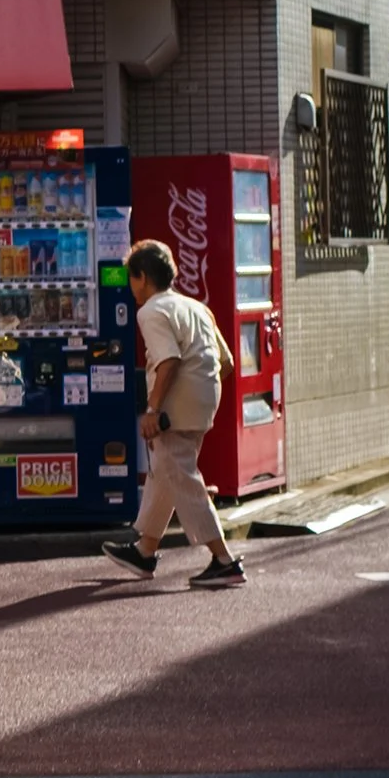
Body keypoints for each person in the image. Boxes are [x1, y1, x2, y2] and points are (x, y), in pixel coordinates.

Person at [102, 239, 248, 588]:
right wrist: (198, 393)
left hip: (174, 405)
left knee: (180, 476)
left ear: (141, 277)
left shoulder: (151, 311)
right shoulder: (196, 307)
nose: (130, 287)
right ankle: (145, 550)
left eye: (131, 279)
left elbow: (168, 360)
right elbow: (225, 362)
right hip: (204, 399)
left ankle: (223, 559)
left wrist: (153, 408)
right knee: (165, 469)